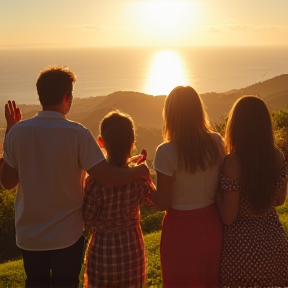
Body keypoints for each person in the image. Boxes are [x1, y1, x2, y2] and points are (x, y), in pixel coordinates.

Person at [0, 66, 149, 288]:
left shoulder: (18, 133)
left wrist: (10, 132)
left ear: (40, 96)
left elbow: (8, 182)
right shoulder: (77, 134)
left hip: (29, 235)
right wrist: (140, 170)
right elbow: (106, 176)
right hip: (67, 235)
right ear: (67, 98)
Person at [152, 86, 225, 288]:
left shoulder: (166, 152)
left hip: (180, 230)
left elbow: (162, 203)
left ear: (170, 114)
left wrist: (145, 184)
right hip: (212, 223)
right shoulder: (217, 142)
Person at [217, 95, 288, 287]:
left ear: (236, 126)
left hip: (242, 250)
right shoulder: (278, 157)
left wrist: (215, 193)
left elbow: (229, 217)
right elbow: (280, 200)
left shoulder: (233, 163)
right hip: (275, 244)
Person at [83, 110, 154, 288]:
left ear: (101, 142)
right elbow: (152, 201)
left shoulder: (93, 182)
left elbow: (88, 217)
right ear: (132, 143)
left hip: (102, 253)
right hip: (132, 250)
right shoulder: (138, 178)